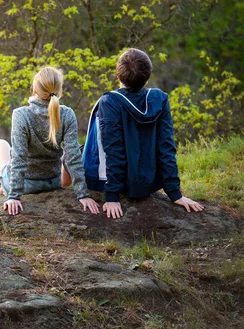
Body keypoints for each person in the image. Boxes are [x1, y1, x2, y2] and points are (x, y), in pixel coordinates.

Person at [82, 48, 204, 219]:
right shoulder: (159, 99)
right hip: (149, 182)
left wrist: (112, 196)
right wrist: (175, 193)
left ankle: (65, 190)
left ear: (118, 75)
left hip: (118, 184)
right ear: (147, 78)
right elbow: (166, 147)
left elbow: (113, 150)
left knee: (68, 155)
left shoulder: (109, 102)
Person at [0, 66, 100, 216]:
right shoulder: (67, 114)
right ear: (60, 92)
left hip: (26, 185)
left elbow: (19, 157)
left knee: (0, 144)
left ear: (34, 90)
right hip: (53, 182)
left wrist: (14, 196)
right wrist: (82, 194)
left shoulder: (21, 115)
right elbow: (73, 157)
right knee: (71, 151)